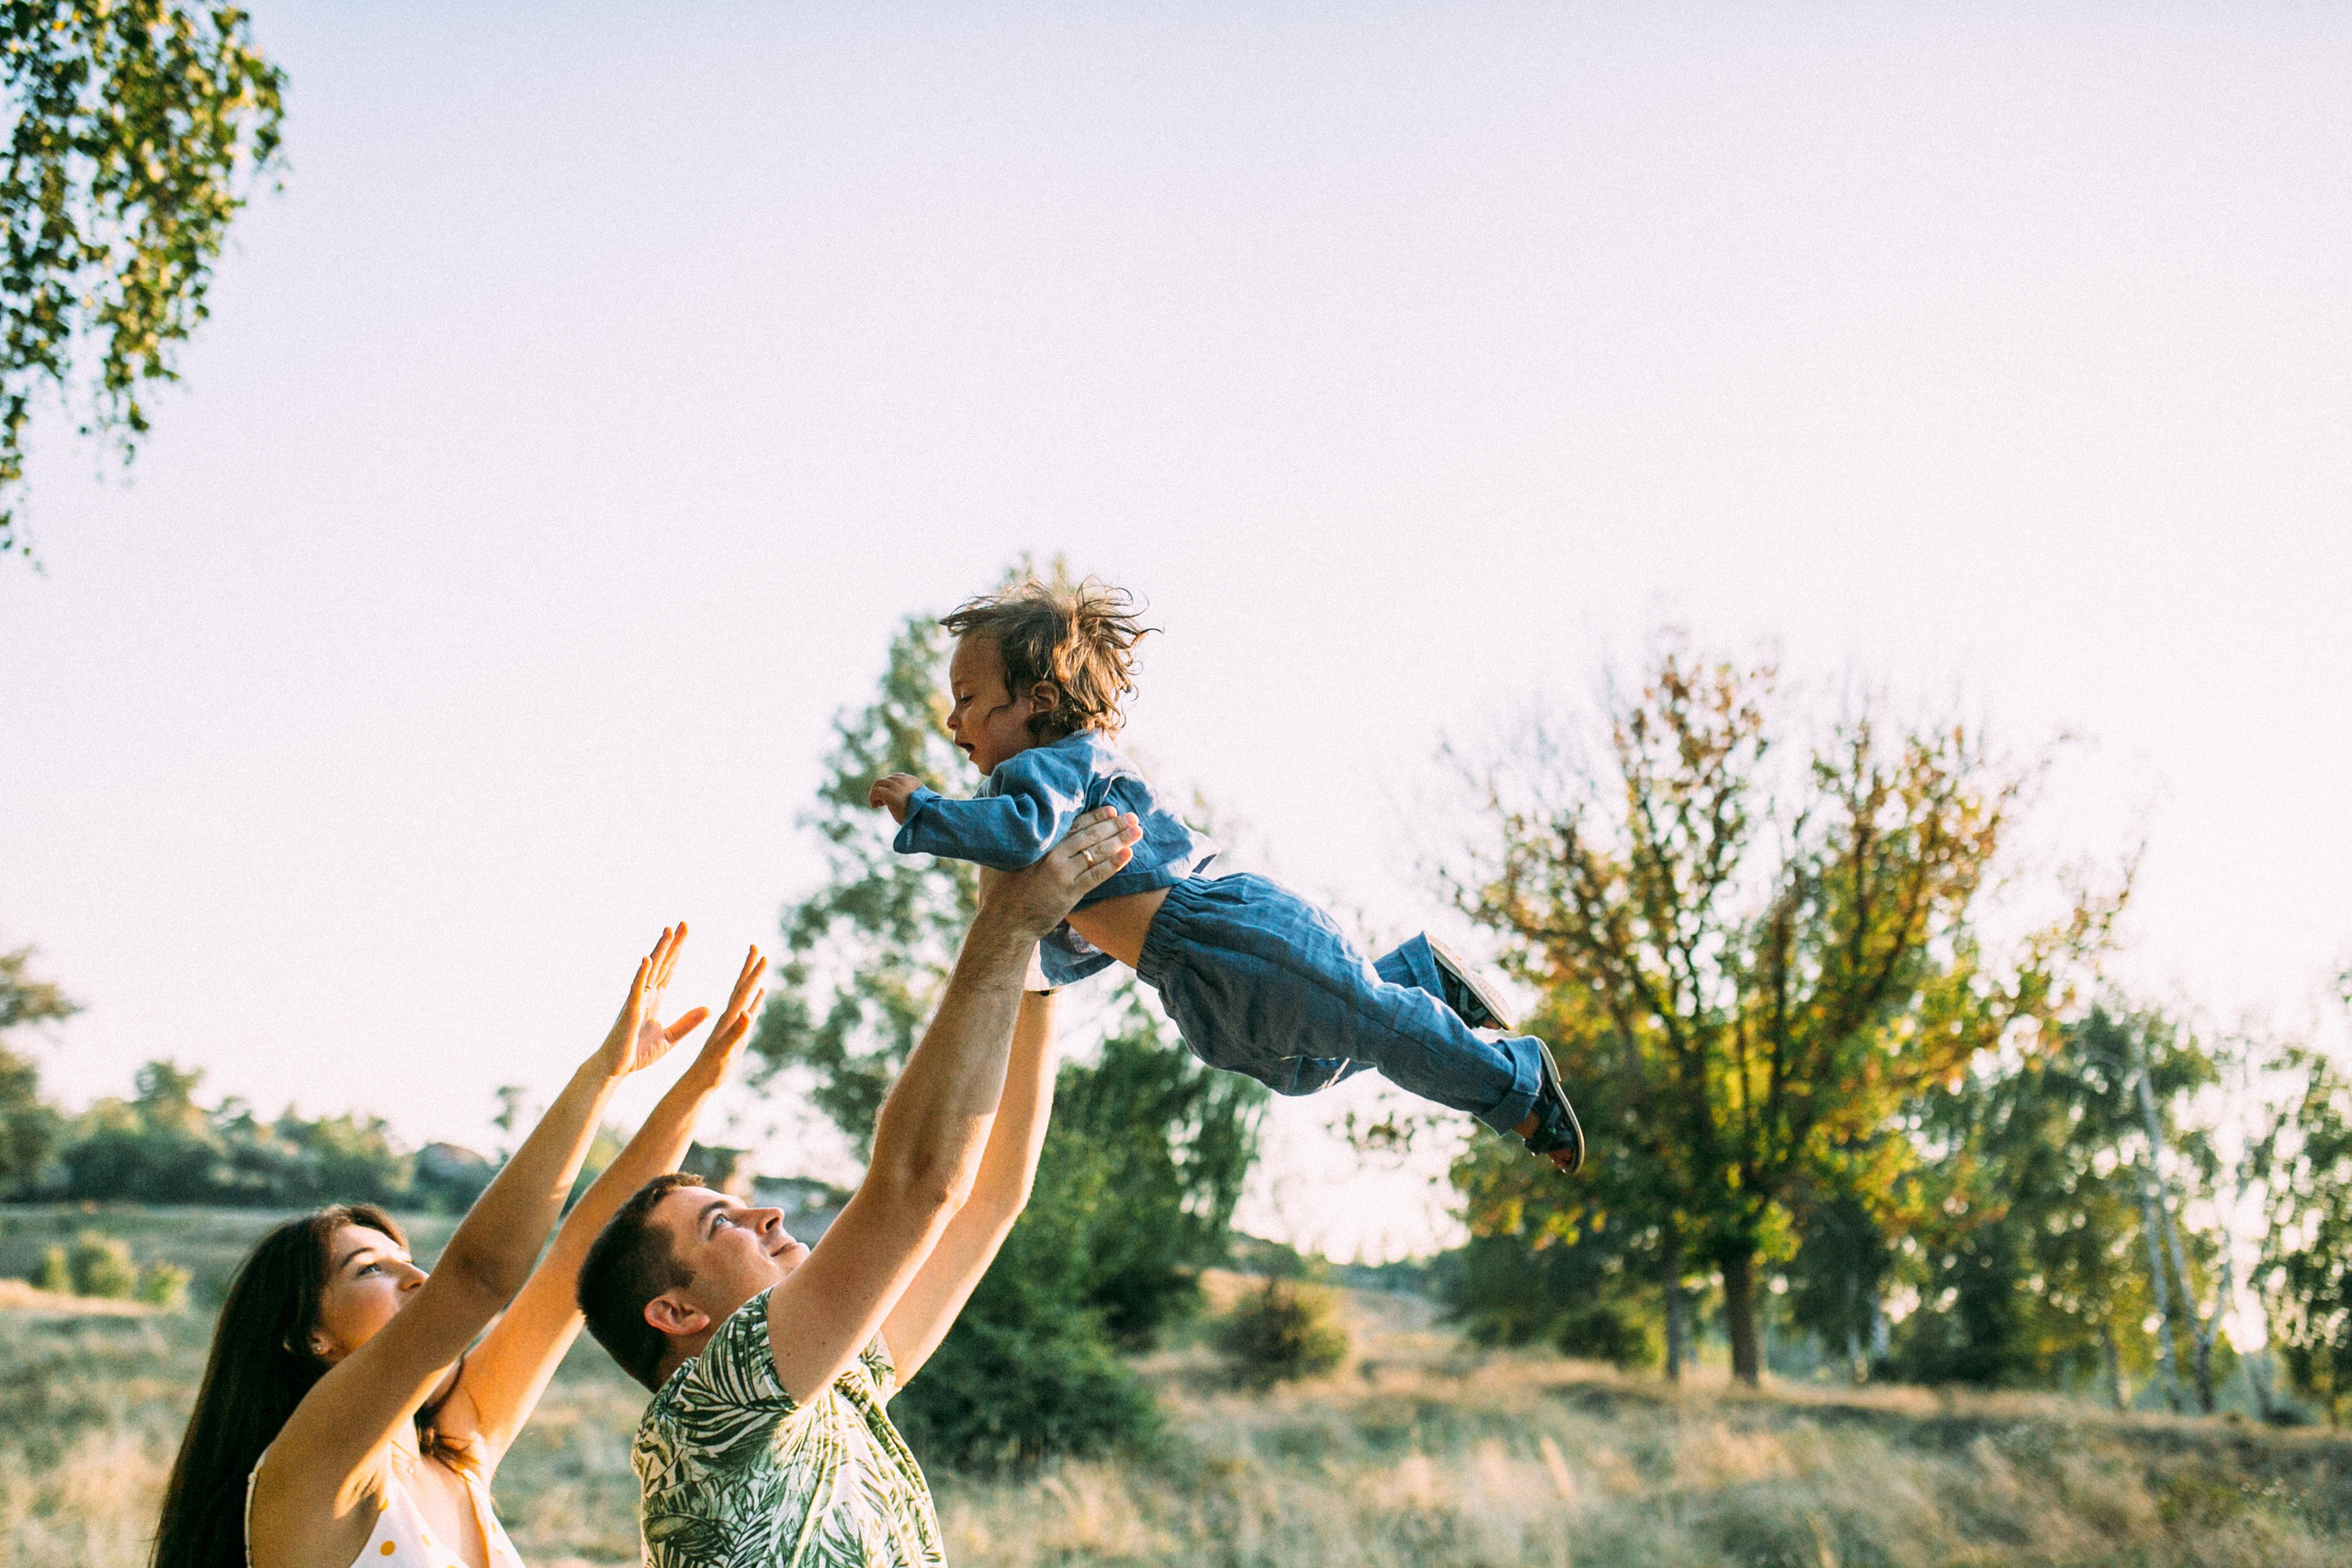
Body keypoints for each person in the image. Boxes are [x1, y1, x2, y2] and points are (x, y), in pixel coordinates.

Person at [574, 806, 1142, 1568]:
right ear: (675, 1311)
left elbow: (984, 1201)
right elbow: (919, 1185)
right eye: (721, 1223)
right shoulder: (701, 1425)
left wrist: (1038, 964)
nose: (765, 1212)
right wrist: (1004, 927)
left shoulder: (830, 1390)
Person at [866, 577, 1585, 1175]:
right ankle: (1421, 977)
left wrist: (923, 809)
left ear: (1040, 702)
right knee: (1307, 1069)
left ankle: (1514, 1082)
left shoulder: (1058, 766)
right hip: (1186, 981)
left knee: (1370, 1023)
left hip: (1224, 933)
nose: (952, 721)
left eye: (966, 698)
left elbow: (1016, 830)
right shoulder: (1033, 787)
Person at [152, 924, 768, 1568]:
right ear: (307, 1335)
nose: (415, 1275)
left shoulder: (457, 1446)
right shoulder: (308, 1472)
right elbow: (474, 1279)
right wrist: (596, 1076)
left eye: (405, 1256)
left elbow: (573, 1263)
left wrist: (700, 1084)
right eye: (371, 1268)